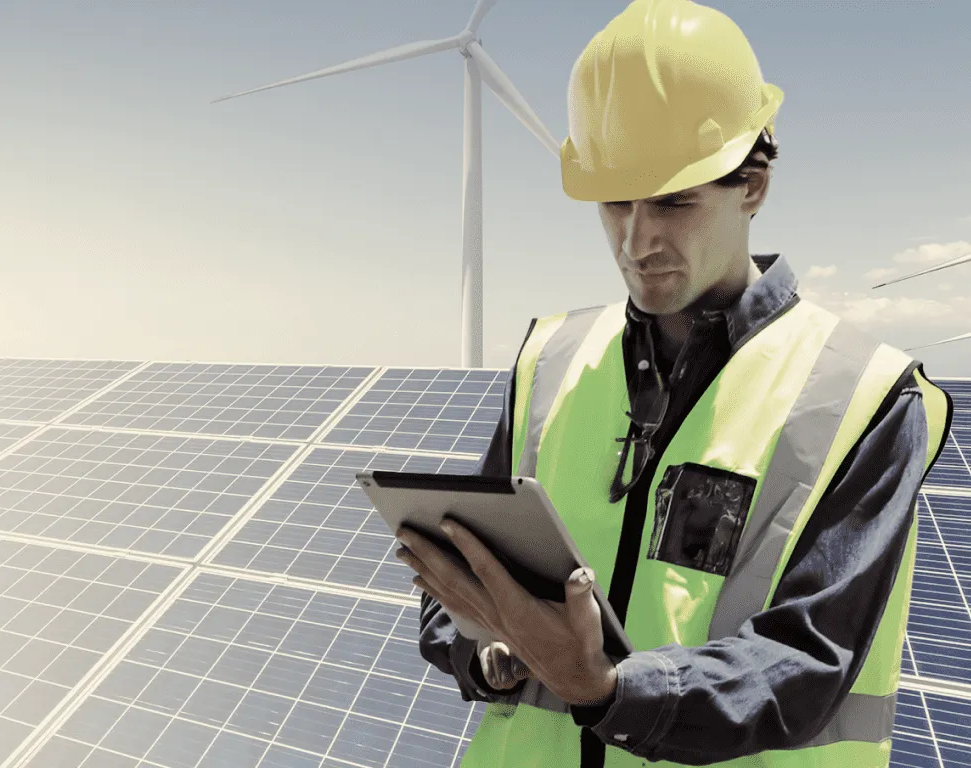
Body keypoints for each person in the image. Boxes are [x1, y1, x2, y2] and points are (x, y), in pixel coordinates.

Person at [393, 1, 954, 766]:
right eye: (615, 202)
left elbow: (806, 660)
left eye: (671, 201)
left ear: (751, 185)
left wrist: (603, 687)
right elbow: (466, 581)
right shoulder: (548, 358)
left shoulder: (865, 395)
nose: (635, 240)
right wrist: (487, 649)